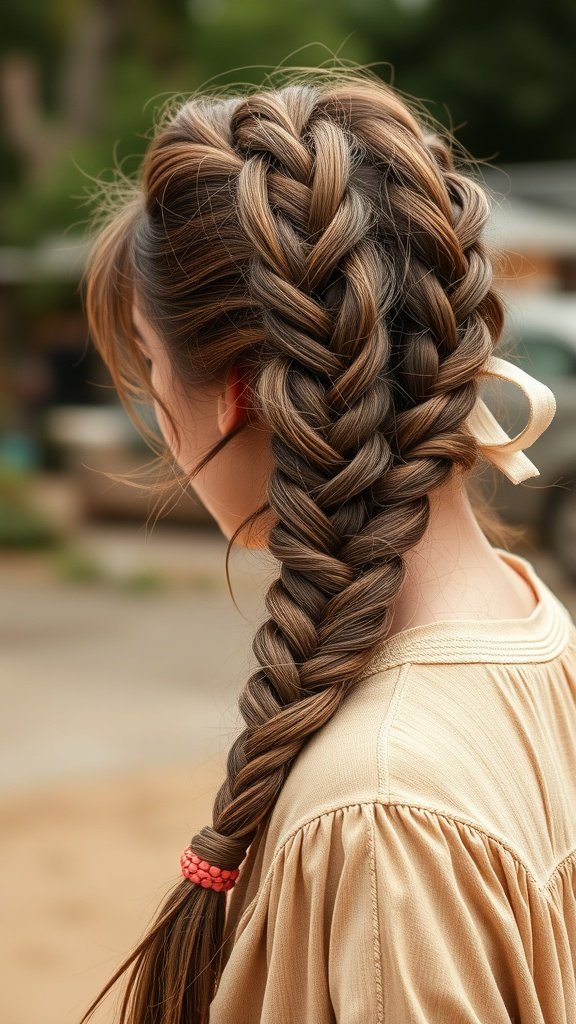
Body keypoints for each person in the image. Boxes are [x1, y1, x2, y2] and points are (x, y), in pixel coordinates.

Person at [78, 66, 576, 1024]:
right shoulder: (538, 626)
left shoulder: (380, 815)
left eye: (149, 361)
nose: (161, 426)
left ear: (233, 388)